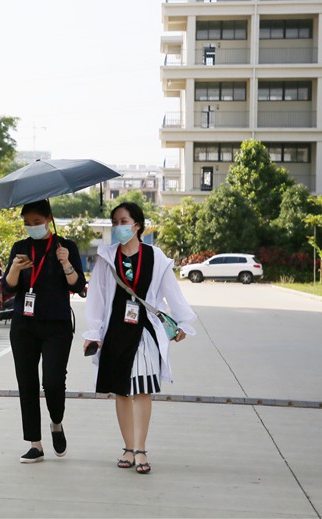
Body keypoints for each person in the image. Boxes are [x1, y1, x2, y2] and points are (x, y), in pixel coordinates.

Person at [83, 201, 197, 474]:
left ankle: (141, 449)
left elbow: (171, 291)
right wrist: (94, 332)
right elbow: (97, 298)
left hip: (144, 329)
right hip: (115, 331)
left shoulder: (156, 257)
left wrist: (183, 322)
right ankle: (128, 447)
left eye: (123, 221)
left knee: (142, 388)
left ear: (137, 225)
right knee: (121, 390)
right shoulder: (106, 257)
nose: (118, 227)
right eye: (115, 222)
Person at [2, 199, 86, 463]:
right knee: (26, 382)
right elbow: (8, 287)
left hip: (56, 324)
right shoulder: (20, 248)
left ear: (49, 219)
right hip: (24, 324)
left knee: (52, 381)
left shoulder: (65, 247)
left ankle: (56, 423)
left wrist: (66, 263)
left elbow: (78, 286)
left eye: (37, 222)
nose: (32, 227)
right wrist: (15, 269)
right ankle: (35, 443)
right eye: (27, 223)